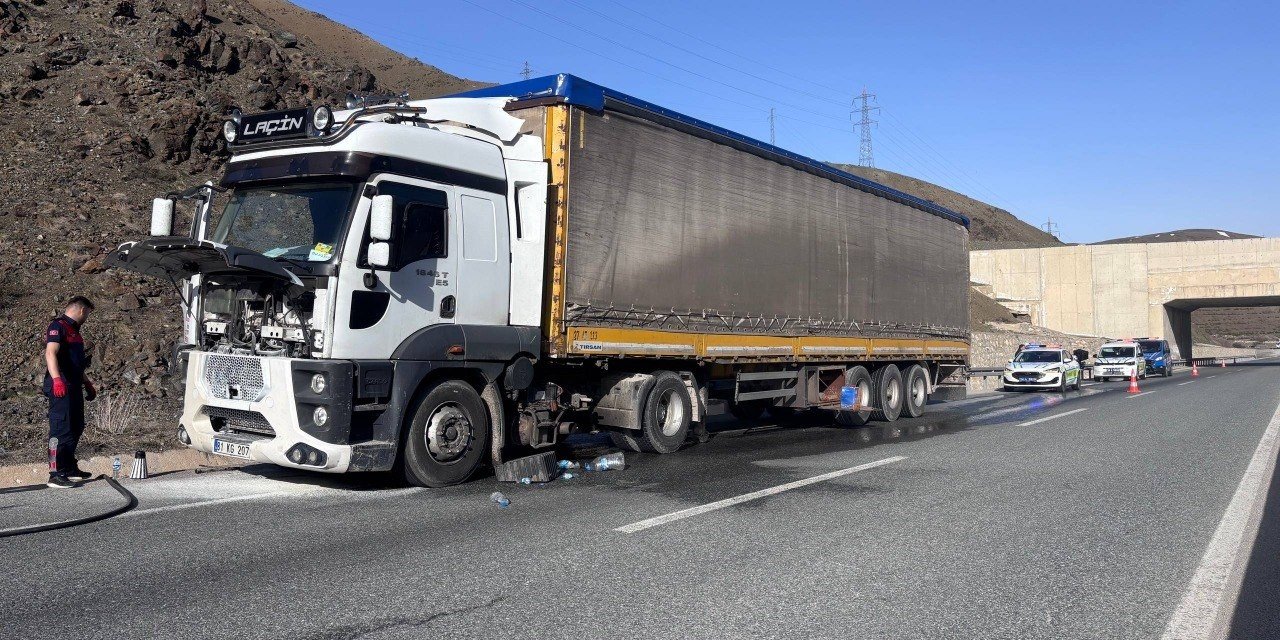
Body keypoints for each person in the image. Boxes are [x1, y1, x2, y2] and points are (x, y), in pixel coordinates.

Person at [43, 296, 98, 488]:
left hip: (74, 385)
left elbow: (75, 363)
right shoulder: (57, 326)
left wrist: (87, 383)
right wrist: (57, 380)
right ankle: (55, 473)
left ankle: (69, 468)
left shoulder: (75, 331)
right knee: (61, 428)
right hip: (61, 387)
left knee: (76, 426)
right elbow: (50, 353)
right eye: (88, 313)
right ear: (82, 310)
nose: (88, 317)